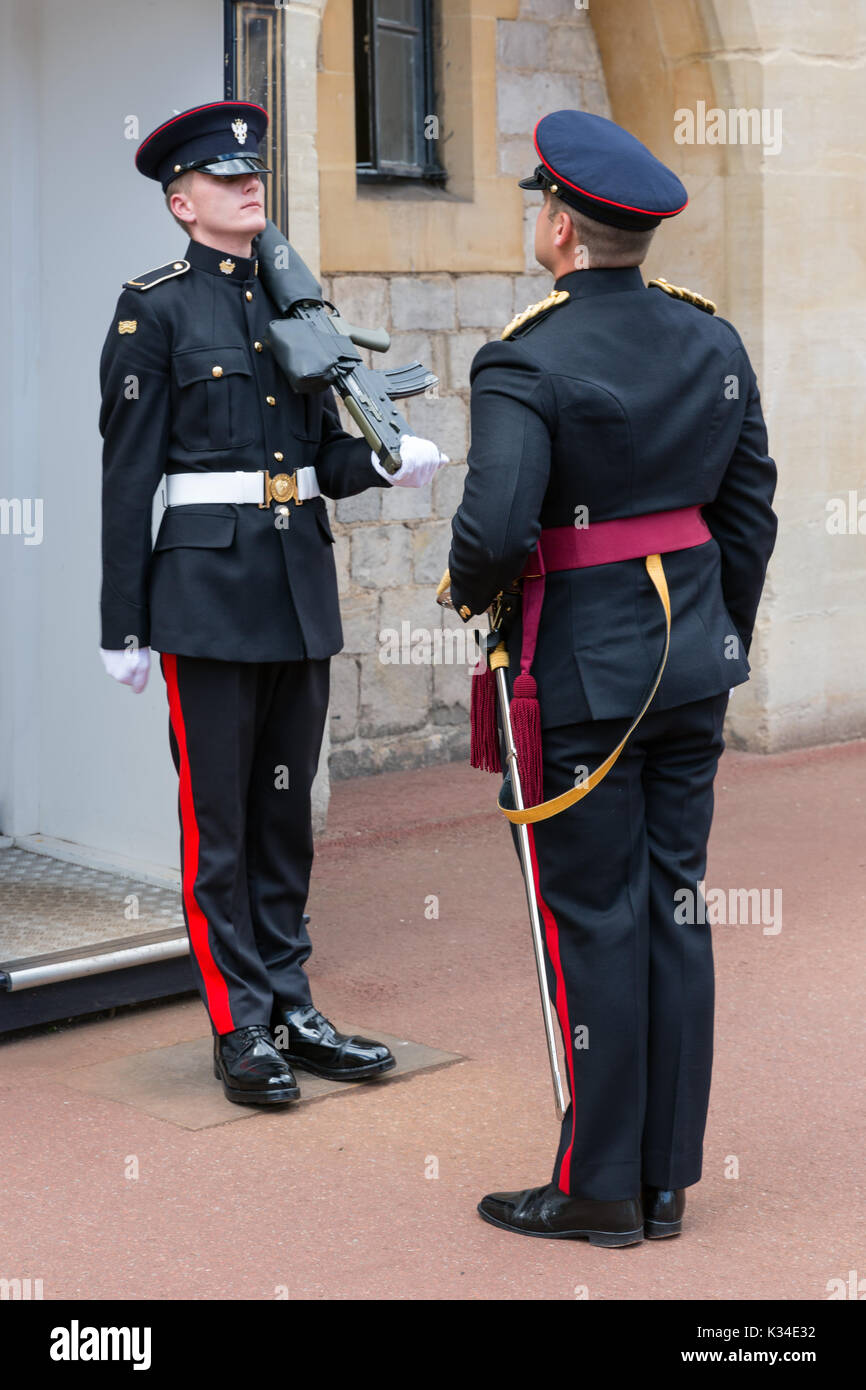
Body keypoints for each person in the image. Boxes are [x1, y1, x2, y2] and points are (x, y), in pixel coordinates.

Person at [446, 109, 777, 1245]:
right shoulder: (711, 341)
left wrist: (463, 594)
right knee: (672, 911)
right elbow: (747, 514)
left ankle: (596, 1191)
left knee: (590, 920)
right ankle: (663, 1178)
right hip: (690, 670)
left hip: (581, 675)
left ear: (558, 230)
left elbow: (491, 533)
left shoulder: (525, 355)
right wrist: (704, 641)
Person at [98, 101, 446, 1105]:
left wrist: (385, 462)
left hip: (294, 586)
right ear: (180, 201)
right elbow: (129, 478)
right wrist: (120, 620)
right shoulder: (152, 307)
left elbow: (315, 455)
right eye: (222, 176)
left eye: (252, 172)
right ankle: (238, 1024)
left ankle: (291, 1001)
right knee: (220, 825)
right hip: (202, 595)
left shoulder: (297, 302)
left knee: (284, 816)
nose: (248, 182)